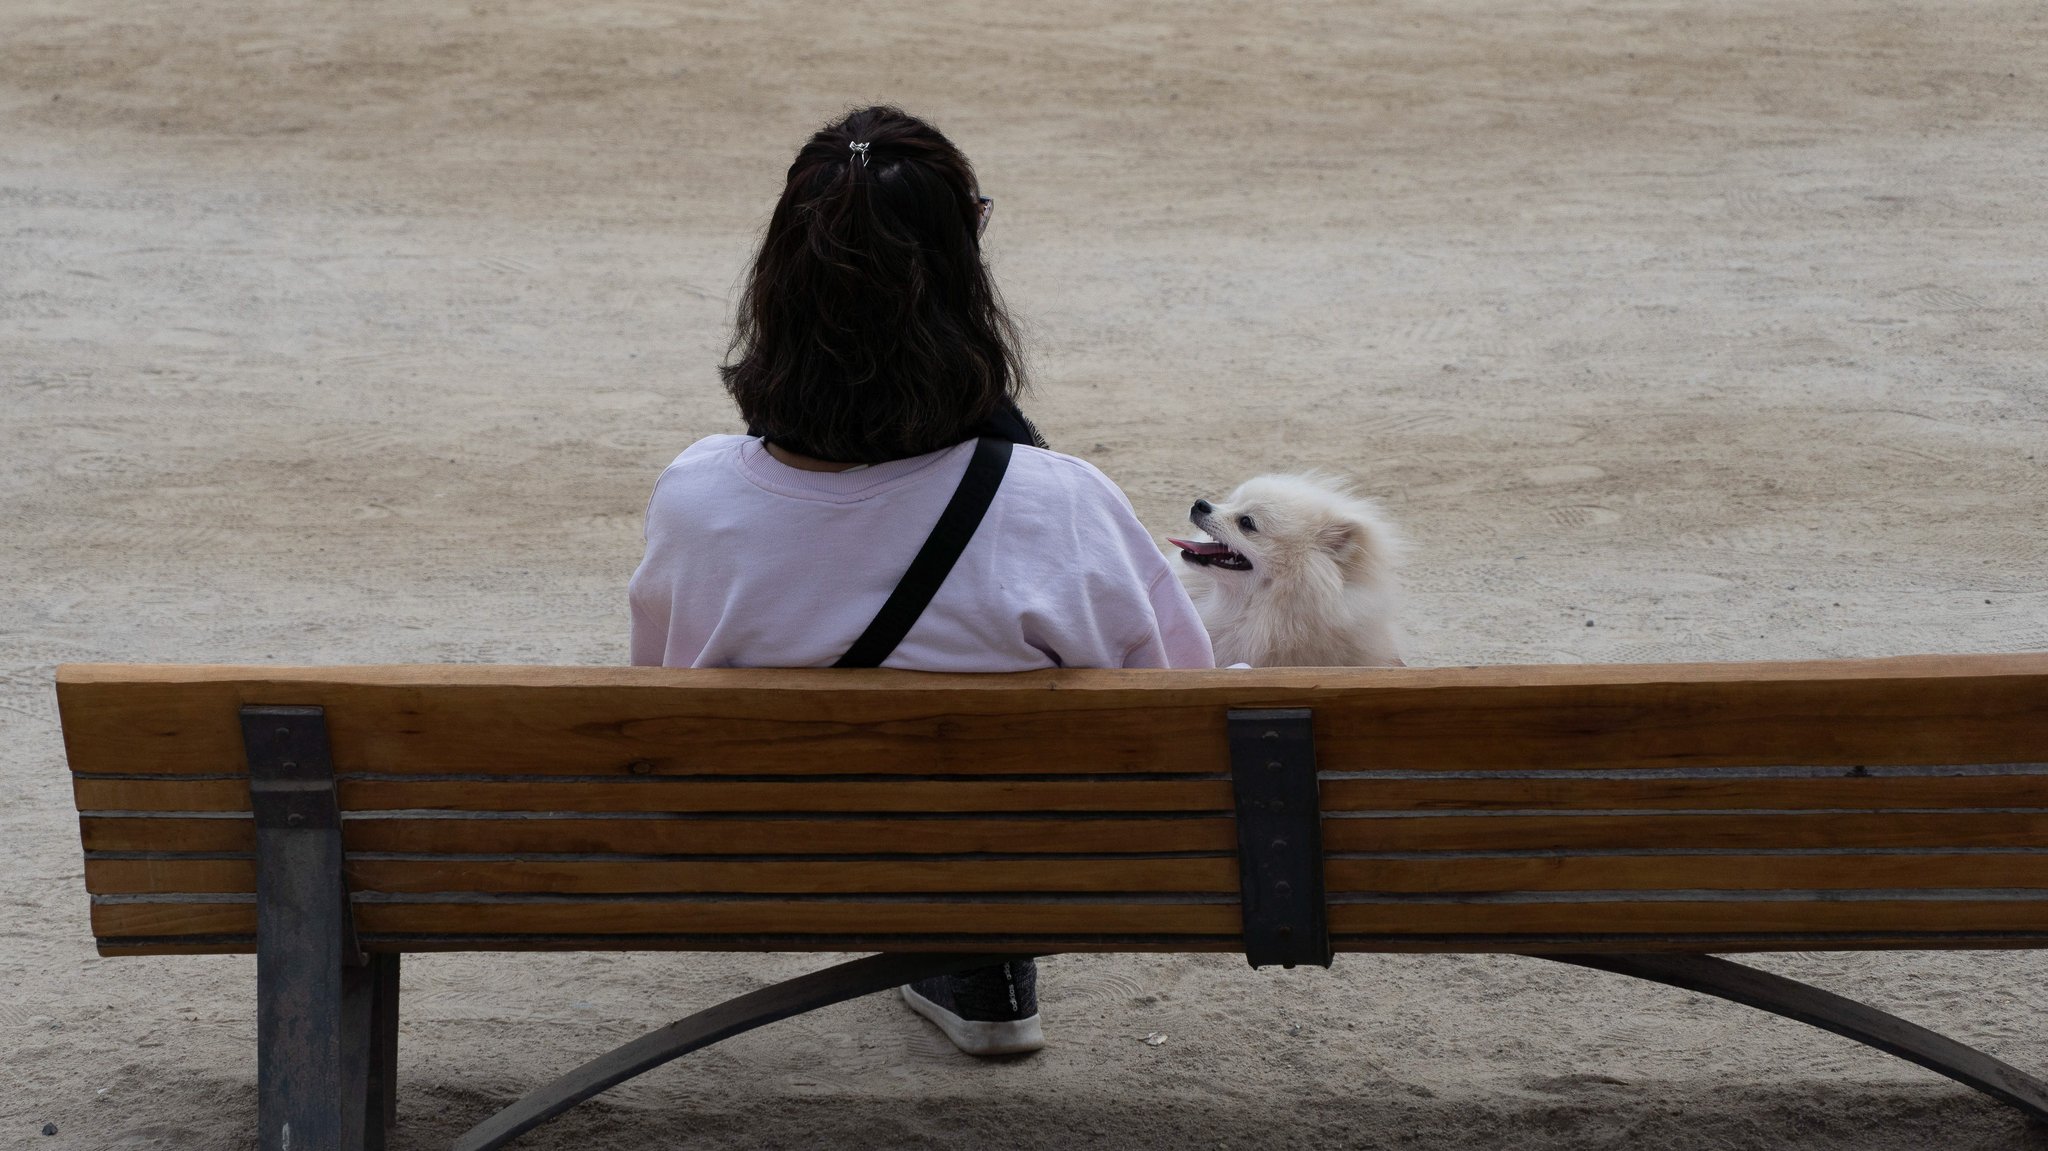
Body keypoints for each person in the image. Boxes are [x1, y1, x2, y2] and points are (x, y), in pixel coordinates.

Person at [629, 105, 1214, 1056]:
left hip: (754, 857)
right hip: (1018, 856)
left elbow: (663, 691)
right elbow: (1182, 720)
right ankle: (978, 944)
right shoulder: (1059, 503)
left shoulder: (697, 496)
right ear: (964, 278)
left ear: (780, 282)